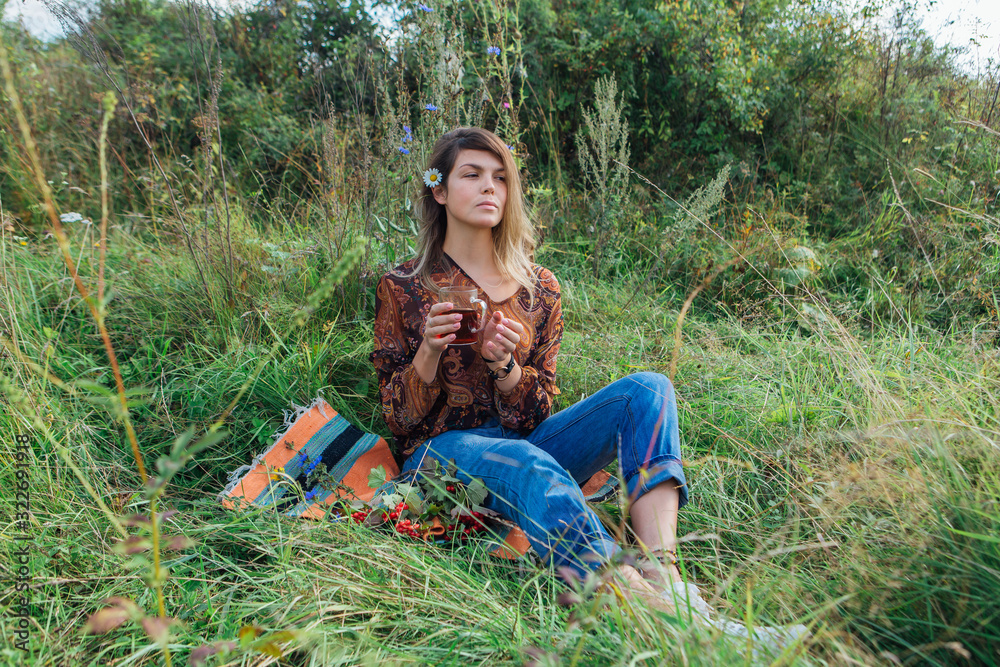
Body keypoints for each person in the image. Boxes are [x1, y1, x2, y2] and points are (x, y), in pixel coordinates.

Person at [370, 126, 693, 610]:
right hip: (439, 456)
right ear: (439, 191)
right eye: (472, 174)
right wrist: (429, 352)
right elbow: (400, 422)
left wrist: (506, 368)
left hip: (524, 444)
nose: (489, 188)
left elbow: (534, 418)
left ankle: (660, 572)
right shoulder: (403, 286)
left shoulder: (539, 288)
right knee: (527, 462)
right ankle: (631, 600)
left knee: (648, 390)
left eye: (500, 178)